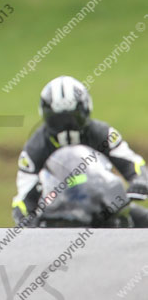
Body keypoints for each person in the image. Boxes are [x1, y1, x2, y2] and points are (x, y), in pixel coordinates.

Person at [12, 75, 148, 226]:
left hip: (102, 203)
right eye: (58, 120)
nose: (66, 126)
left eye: (73, 118)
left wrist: (139, 180)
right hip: (58, 211)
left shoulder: (103, 133)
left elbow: (132, 162)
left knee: (141, 217)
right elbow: (24, 195)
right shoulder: (35, 148)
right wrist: (26, 218)